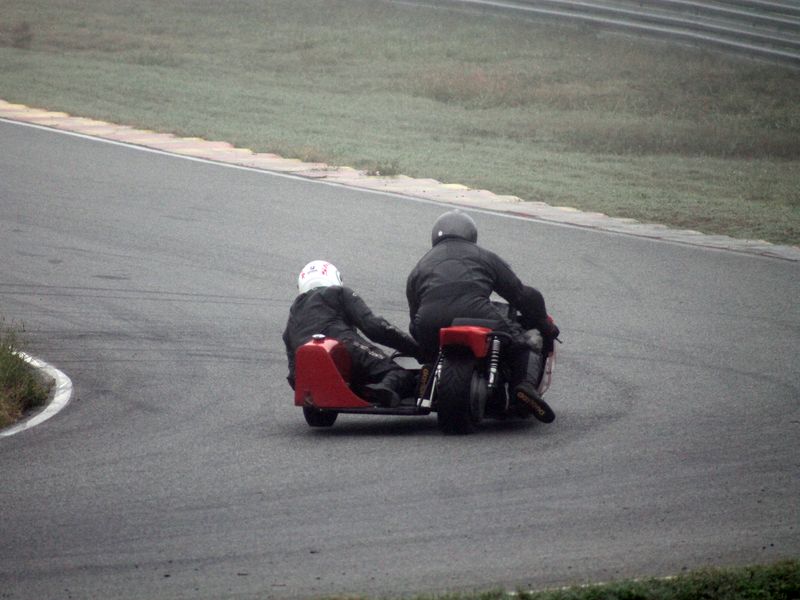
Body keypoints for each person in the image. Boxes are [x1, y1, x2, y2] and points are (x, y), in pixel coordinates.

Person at [406, 210, 560, 422]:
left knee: (424, 339)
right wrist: (543, 323)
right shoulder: (483, 256)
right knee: (526, 340)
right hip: (477, 313)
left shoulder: (420, 266)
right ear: (471, 234)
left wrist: (425, 345)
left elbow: (413, 318)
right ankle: (523, 386)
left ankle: (434, 374)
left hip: (429, 322)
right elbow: (521, 295)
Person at [283, 260, 420, 407]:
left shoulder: (295, 310)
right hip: (345, 345)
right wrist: (415, 349)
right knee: (401, 374)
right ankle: (385, 388)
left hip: (309, 365)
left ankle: (359, 389)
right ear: (335, 277)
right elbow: (374, 327)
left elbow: (290, 354)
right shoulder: (338, 292)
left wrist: (299, 381)